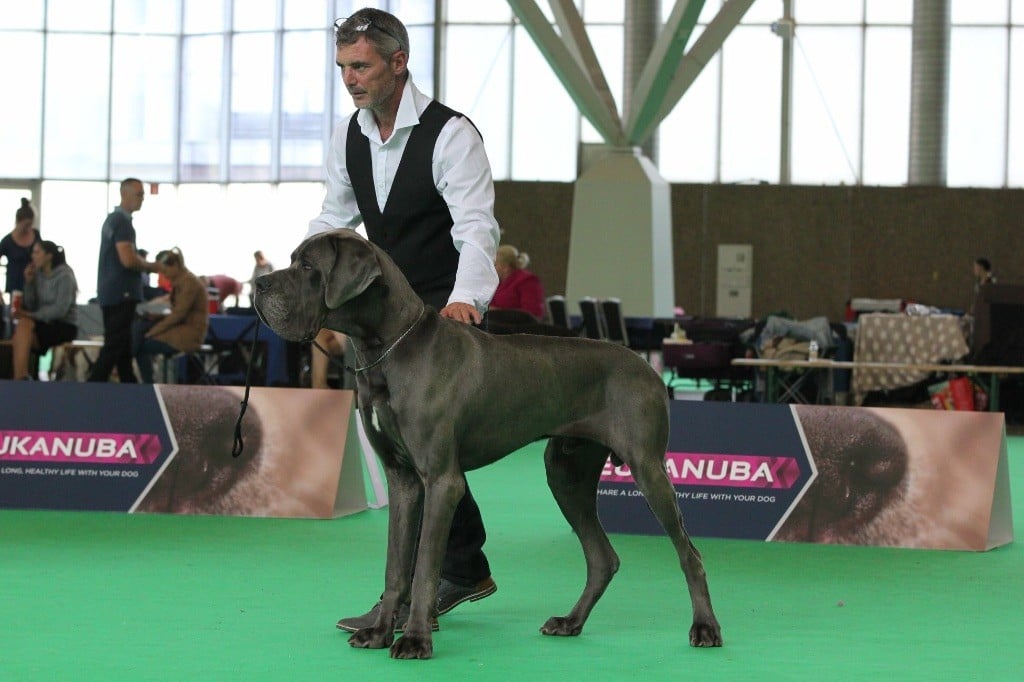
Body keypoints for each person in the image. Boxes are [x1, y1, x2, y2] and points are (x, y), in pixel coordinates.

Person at [312, 9, 501, 632]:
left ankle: (421, 591)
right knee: (409, 452)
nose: (350, 79)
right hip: (380, 322)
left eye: (360, 65)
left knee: (418, 453)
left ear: (399, 63)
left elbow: (477, 228)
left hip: (442, 318)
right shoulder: (350, 135)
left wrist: (467, 298)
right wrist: (302, 289)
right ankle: (459, 570)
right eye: (343, 67)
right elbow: (335, 221)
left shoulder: (451, 135)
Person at [88, 178, 159, 383]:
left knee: (123, 350)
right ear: (124, 194)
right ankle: (91, 388)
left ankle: (130, 389)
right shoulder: (123, 223)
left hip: (111, 292)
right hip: (122, 294)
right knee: (114, 345)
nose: (142, 199)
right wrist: (153, 266)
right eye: (139, 194)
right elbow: (128, 259)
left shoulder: (111, 220)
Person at [132, 249, 209, 383]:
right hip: (183, 328)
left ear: (175, 266)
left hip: (189, 334)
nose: (164, 275)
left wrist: (153, 332)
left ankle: (147, 383)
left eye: (165, 271)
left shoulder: (188, 283)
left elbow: (179, 314)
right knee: (139, 333)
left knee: (142, 345)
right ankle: (146, 382)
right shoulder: (182, 281)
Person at [10, 241, 78, 380]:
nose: (33, 256)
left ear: (49, 256)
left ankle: (19, 378)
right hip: (42, 323)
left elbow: (60, 310)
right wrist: (28, 282)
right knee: (23, 326)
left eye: (37, 252)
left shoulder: (65, 276)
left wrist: (30, 314)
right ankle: (22, 376)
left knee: (23, 332)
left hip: (63, 325)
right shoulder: (38, 275)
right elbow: (30, 304)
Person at [1, 198, 42, 336]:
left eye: (30, 225)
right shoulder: (7, 241)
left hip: (34, 284)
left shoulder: (36, 236)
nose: (28, 229)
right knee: (15, 318)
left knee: (32, 318)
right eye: (26, 225)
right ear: (18, 222)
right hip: (15, 285)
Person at [489, 244, 545, 320]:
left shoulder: (527, 280)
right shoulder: (499, 283)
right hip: (500, 323)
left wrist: (498, 312)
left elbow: (531, 312)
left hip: (520, 327)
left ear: (505, 267)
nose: (491, 268)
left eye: (495, 264)